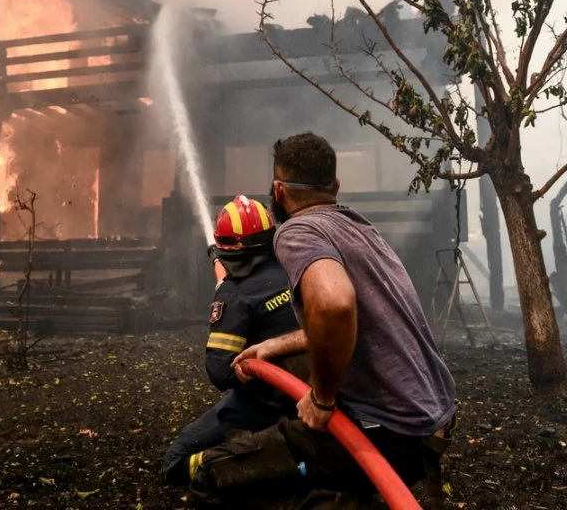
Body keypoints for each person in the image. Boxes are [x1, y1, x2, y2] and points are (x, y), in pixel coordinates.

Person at [190, 133, 457, 509]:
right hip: (433, 420)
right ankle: (336, 491)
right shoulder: (357, 226)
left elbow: (334, 307)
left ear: (277, 191)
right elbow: (354, 321)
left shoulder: (298, 232)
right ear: (335, 187)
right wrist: (273, 345)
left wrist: (322, 399)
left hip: (389, 434)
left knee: (213, 474)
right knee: (292, 372)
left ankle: (328, 492)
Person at [162, 195, 308, 485]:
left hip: (264, 402)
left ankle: (283, 470)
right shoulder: (296, 269)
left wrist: (225, 295)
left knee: (176, 461)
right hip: (314, 395)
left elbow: (220, 372)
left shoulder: (236, 295)